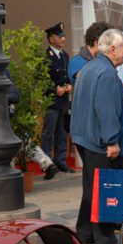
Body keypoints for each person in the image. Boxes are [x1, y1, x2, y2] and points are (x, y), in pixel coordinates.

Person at [70, 29, 123, 244]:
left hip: (85, 137)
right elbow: (105, 109)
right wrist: (112, 141)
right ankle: (104, 237)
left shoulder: (89, 67)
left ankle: (85, 232)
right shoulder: (105, 72)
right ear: (113, 49)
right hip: (100, 141)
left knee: (92, 187)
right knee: (106, 188)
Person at [41, 22, 74, 175]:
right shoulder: (46, 56)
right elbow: (41, 79)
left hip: (63, 101)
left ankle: (61, 161)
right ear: (51, 38)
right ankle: (48, 164)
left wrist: (69, 86)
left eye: (63, 36)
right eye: (59, 37)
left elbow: (67, 75)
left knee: (62, 132)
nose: (63, 39)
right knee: (48, 133)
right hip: (51, 101)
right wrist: (55, 89)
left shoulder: (65, 55)